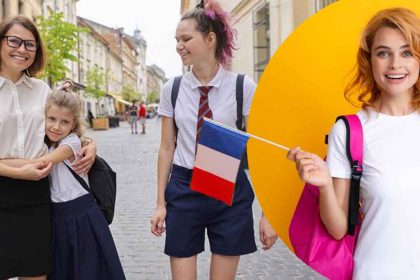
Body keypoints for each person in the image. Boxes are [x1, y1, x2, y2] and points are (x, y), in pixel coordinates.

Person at [287, 7, 420, 279]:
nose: (395, 64)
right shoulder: (349, 131)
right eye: (383, 52)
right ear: (369, 60)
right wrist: (324, 185)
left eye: (407, 52)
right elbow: (337, 229)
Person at [150, 1, 277, 279]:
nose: (179, 46)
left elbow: (258, 151)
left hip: (227, 186)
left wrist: (269, 212)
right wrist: (160, 203)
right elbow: (166, 148)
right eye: (177, 40)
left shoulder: (242, 87)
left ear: (210, 39)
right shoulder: (172, 89)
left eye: (186, 39)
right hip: (184, 188)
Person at [0, 16, 96, 280]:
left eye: (30, 45)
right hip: (8, 183)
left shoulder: (42, 90)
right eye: (14, 41)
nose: (22, 49)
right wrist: (20, 171)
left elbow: (61, 130)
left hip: (36, 194)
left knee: (35, 272)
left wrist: (89, 143)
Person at [3, 88, 126, 279]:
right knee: (64, 270)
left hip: (82, 215)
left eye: (65, 122)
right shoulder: (43, 143)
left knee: (88, 270)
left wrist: (3, 164)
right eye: (51, 119)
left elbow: (40, 163)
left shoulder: (72, 143)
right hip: (56, 216)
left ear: (73, 125)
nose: (56, 127)